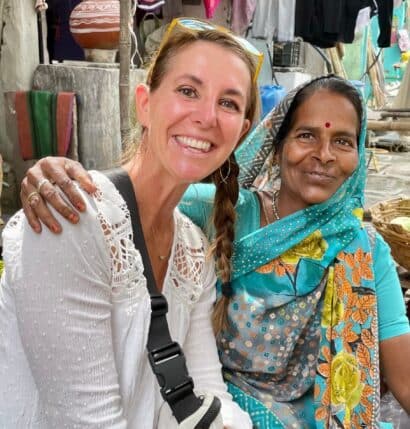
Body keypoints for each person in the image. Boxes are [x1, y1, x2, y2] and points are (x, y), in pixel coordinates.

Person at [18, 76, 410, 428]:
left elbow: (404, 379)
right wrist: (61, 176)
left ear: (359, 155)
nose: (323, 154)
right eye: (306, 136)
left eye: (342, 141)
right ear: (277, 146)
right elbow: (128, 197)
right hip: (215, 409)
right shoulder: (221, 210)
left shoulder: (365, 249)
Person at [0, 17, 267, 428]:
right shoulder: (70, 219)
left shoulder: (194, 250)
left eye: (228, 103)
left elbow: (203, 390)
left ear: (242, 132)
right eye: (188, 91)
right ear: (145, 103)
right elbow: (88, 421)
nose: (207, 116)